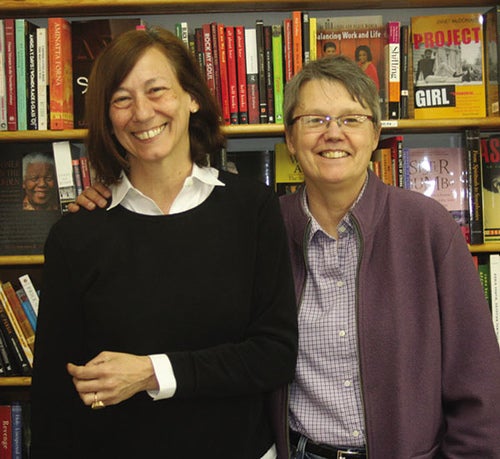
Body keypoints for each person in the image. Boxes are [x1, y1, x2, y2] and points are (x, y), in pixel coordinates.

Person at [70, 56, 500, 458]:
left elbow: (478, 378)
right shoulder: (262, 225)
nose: (334, 134)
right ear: (290, 141)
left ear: (375, 135)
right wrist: (111, 203)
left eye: (352, 119)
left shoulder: (426, 226)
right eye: (314, 121)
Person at [30, 27, 298, 459]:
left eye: (157, 90)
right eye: (121, 99)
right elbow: (54, 397)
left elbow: (274, 356)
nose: (141, 113)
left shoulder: (253, 209)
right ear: (106, 118)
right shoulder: (76, 235)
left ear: (192, 98)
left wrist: (152, 372)